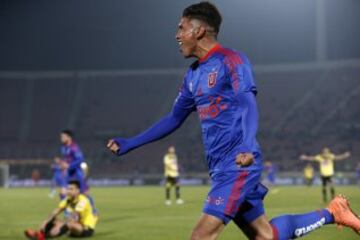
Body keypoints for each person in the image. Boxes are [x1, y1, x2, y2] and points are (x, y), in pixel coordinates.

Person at [107, 2, 360, 239]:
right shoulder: (192, 75)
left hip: (238, 164)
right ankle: (332, 213)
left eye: (181, 28)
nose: (177, 35)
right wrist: (131, 142)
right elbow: (174, 118)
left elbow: (247, 104)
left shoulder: (232, 60)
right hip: (220, 167)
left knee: (200, 236)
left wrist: (248, 145)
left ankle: (333, 212)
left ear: (199, 30)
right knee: (265, 235)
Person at [24, 180, 98, 239]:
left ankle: (44, 237)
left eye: (71, 189)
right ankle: (40, 233)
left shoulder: (83, 200)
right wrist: (46, 221)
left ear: (77, 190)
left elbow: (74, 216)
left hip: (85, 229)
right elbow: (56, 211)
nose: (68, 191)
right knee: (54, 219)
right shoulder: (68, 199)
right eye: (68, 189)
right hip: (74, 227)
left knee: (69, 223)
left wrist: (63, 223)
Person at [59, 130, 97, 214]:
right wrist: (62, 164)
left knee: (84, 193)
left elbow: (80, 159)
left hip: (77, 173)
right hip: (68, 174)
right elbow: (66, 159)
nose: (61, 138)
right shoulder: (63, 148)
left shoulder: (74, 148)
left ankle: (93, 211)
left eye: (63, 136)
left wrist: (69, 165)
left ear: (69, 137)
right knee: (62, 192)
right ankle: (67, 213)